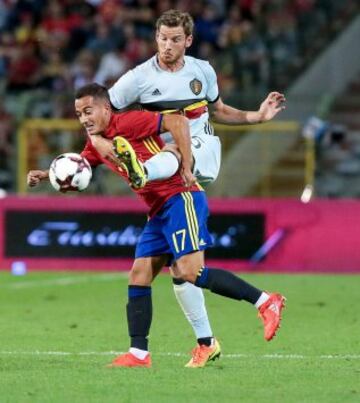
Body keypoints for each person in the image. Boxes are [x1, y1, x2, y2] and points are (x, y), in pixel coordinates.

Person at [28, 83, 286, 368]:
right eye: (79, 114)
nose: (84, 119)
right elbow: (78, 167)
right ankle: (141, 353)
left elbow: (176, 121)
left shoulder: (128, 121)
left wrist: (186, 161)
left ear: (106, 108)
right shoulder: (95, 144)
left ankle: (264, 301)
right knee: (139, 275)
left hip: (180, 196)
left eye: (88, 111)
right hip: (157, 210)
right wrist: (46, 174)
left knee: (189, 271)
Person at [107, 9, 286, 366]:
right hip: (165, 189)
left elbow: (217, 110)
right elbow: (105, 112)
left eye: (175, 39)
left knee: (176, 148)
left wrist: (255, 116)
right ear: (155, 38)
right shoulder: (138, 79)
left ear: (188, 40)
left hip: (193, 164)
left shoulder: (202, 70)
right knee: (157, 271)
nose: (168, 45)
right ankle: (146, 352)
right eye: (162, 38)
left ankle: (265, 301)